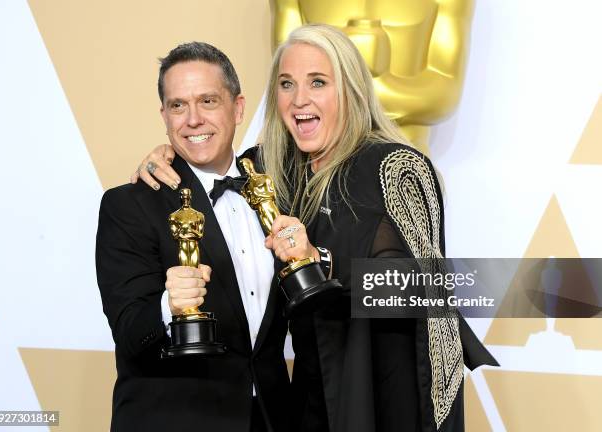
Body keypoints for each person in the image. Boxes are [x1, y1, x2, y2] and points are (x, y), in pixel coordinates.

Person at [133, 24, 497, 432]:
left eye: (318, 82)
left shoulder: (396, 167)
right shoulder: (270, 168)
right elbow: (209, 156)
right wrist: (167, 156)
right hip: (311, 396)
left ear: (350, 89)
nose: (299, 100)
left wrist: (320, 261)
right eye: (287, 84)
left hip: (390, 393)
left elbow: (427, 289)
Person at [96, 42, 290, 432]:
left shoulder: (278, 183)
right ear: (164, 116)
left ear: (237, 108)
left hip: (273, 418)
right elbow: (130, 332)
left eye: (208, 101)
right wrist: (169, 307)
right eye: (178, 106)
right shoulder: (130, 205)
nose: (193, 119)